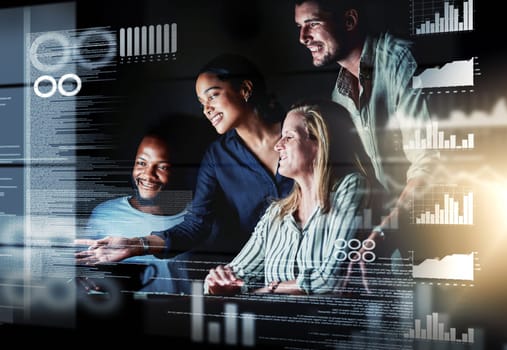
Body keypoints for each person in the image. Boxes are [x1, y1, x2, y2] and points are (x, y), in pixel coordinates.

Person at [75, 54, 294, 274]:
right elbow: (196, 225)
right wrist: (137, 245)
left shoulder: (303, 131)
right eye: (201, 103)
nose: (206, 109)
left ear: (245, 89)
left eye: (213, 96)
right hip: (260, 275)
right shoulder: (217, 156)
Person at [293, 0, 439, 257]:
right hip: (388, 244)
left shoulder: (402, 61)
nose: (303, 37)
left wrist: (383, 232)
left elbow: (431, 163)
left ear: (349, 20)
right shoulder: (339, 94)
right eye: (299, 27)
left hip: (435, 234)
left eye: (312, 23)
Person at [205, 101, 382, 295]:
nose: (278, 146)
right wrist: (216, 283)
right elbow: (236, 274)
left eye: (288, 137)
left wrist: (269, 289)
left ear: (319, 143)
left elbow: (332, 279)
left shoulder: (351, 187)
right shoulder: (276, 213)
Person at [79, 127, 192, 294]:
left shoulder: (198, 220)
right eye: (141, 163)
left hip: (178, 318)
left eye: (162, 167)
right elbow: (82, 273)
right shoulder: (105, 214)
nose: (148, 174)